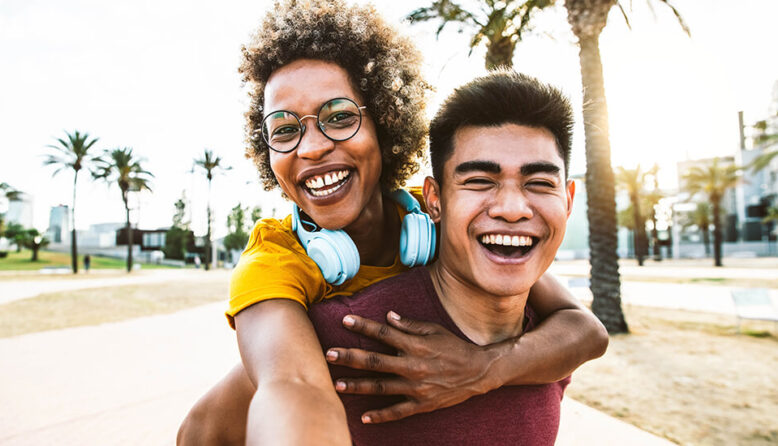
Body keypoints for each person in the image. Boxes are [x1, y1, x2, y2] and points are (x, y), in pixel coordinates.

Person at [177, 1, 608, 445]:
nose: (310, 148)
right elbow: (293, 387)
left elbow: (583, 329)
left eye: (340, 117)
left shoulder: (447, 217)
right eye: (285, 130)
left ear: (384, 123)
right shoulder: (274, 260)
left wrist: (481, 368)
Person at [310, 70, 582, 445]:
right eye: (479, 181)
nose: (513, 208)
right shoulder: (342, 333)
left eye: (539, 183)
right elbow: (206, 431)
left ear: (567, 201)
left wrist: (486, 368)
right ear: (435, 201)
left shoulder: (550, 346)